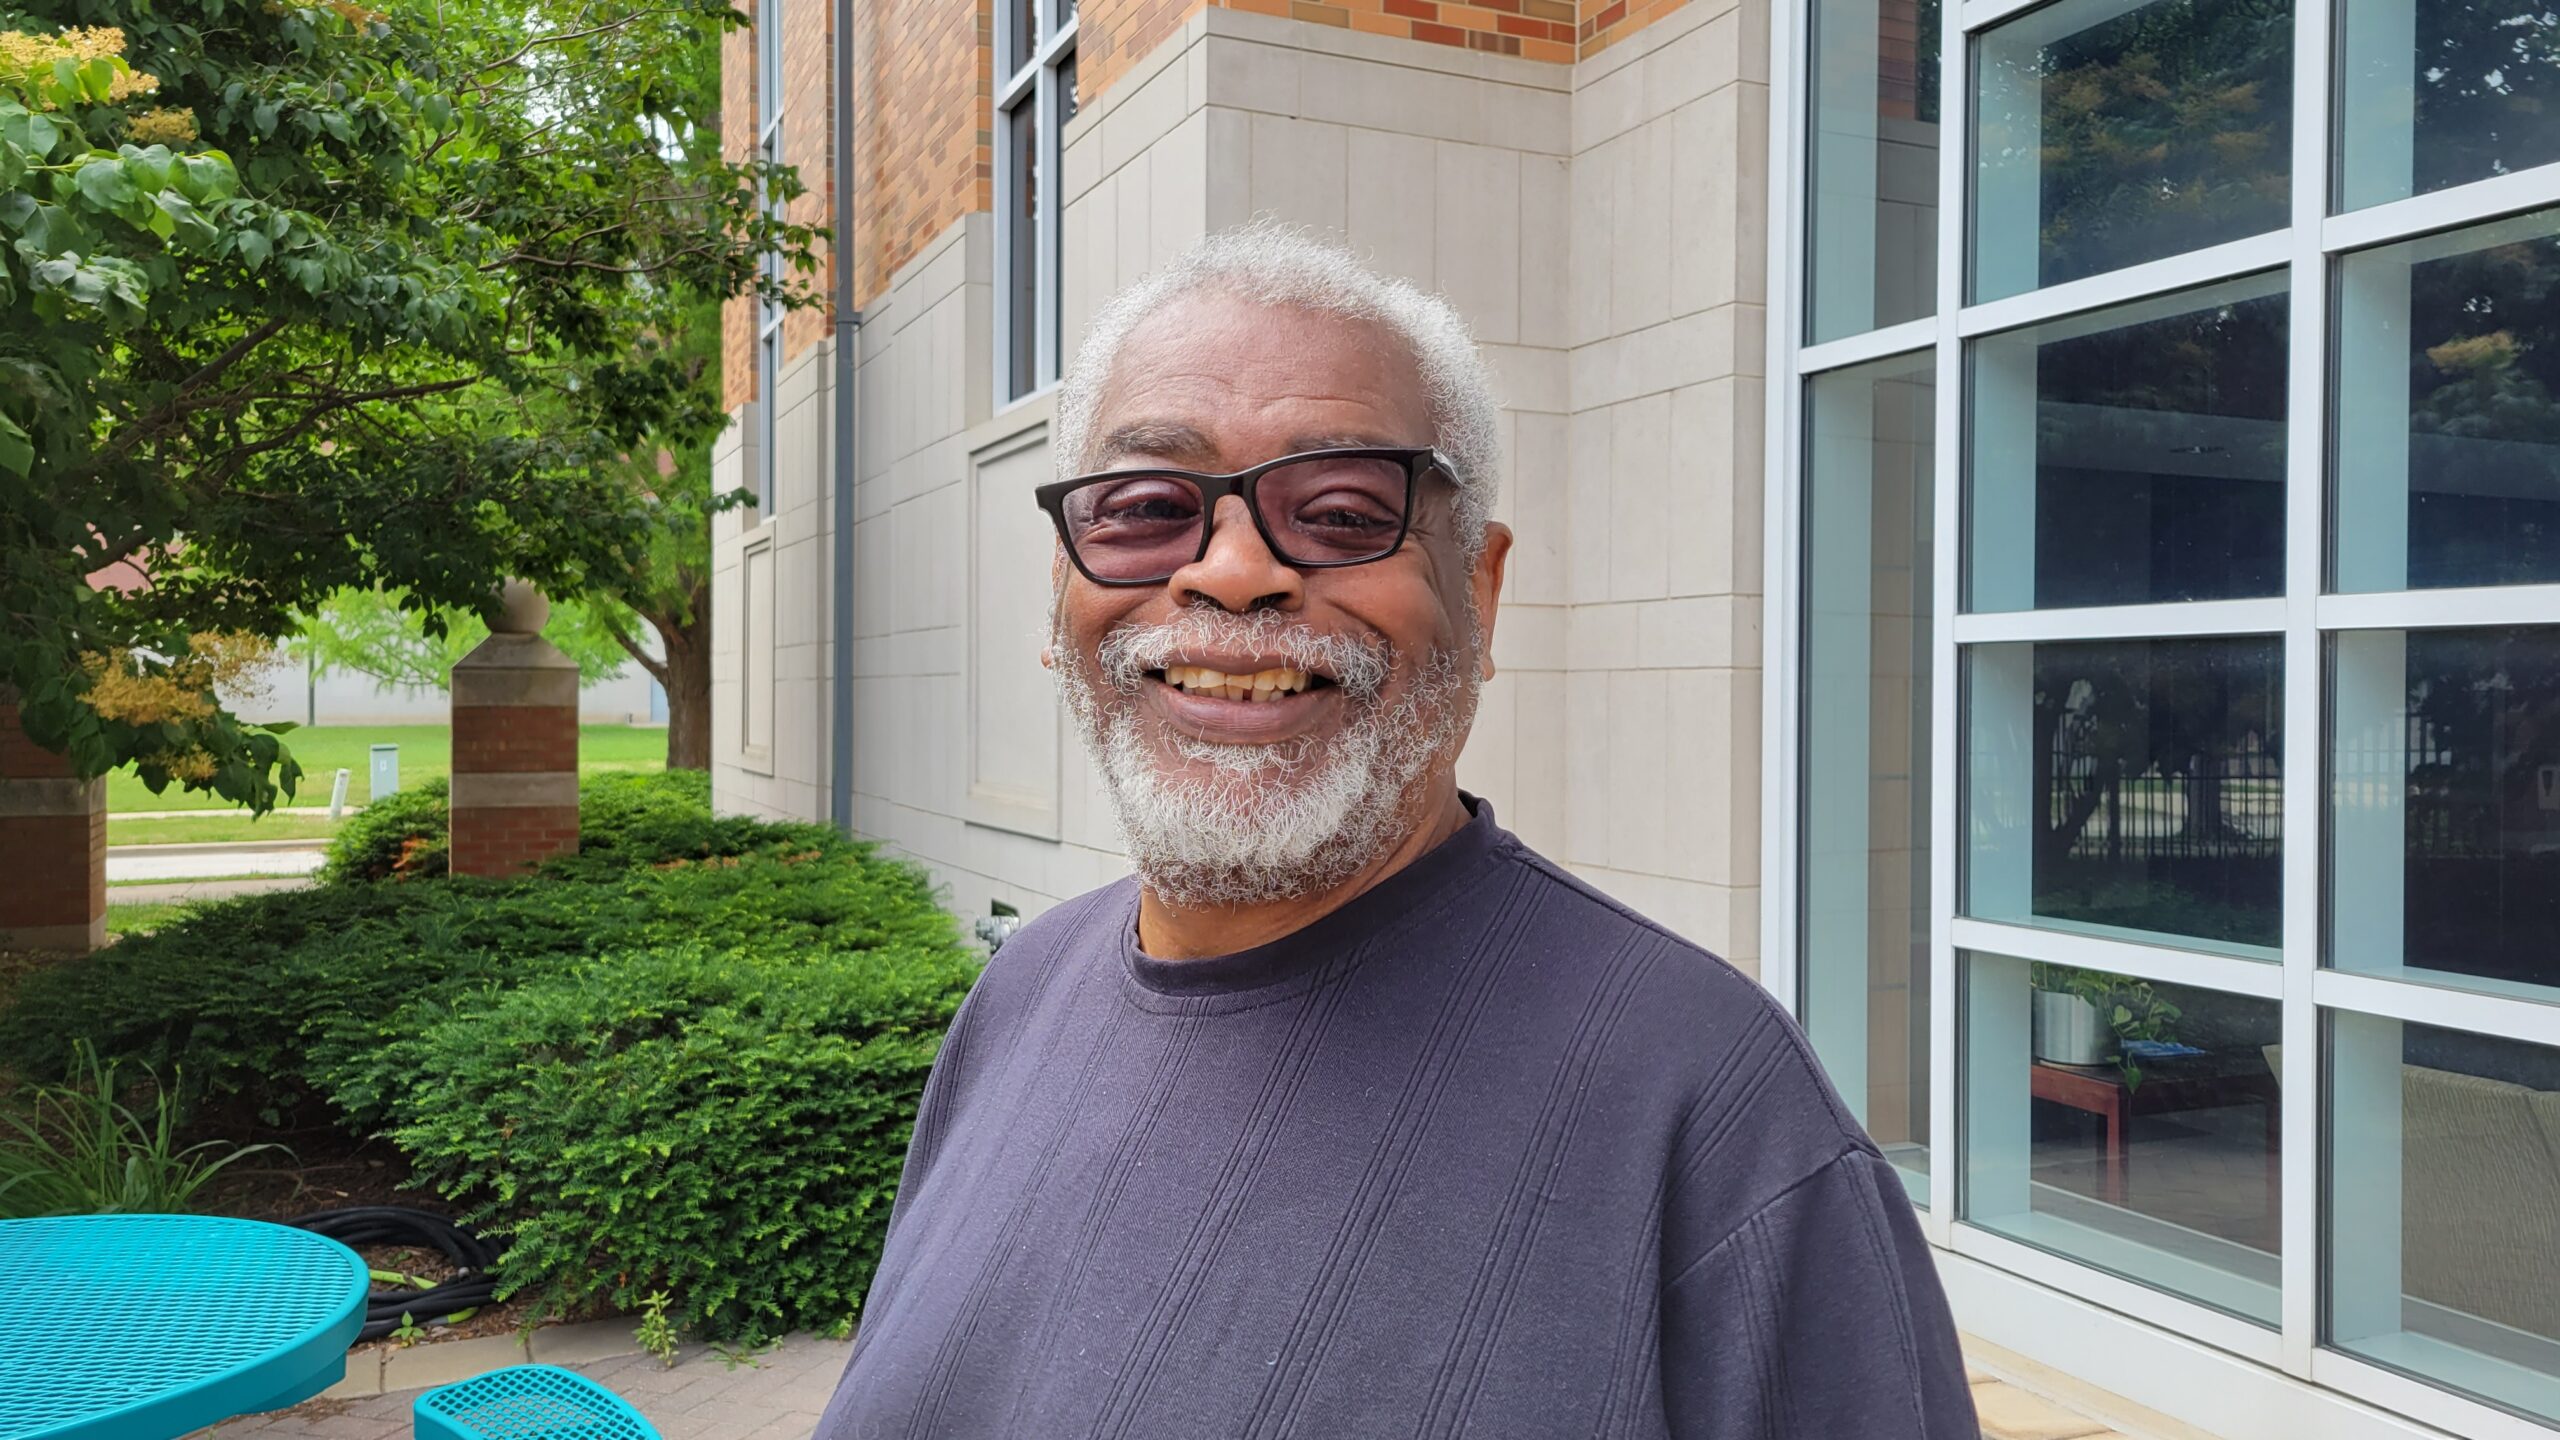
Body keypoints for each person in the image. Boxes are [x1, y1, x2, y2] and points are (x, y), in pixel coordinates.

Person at [815, 224, 1978, 1438]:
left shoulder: (1711, 1109)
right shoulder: (1018, 995)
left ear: (1476, 591)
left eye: (1340, 510)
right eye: (1147, 506)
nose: (1230, 572)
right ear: (1060, 590)